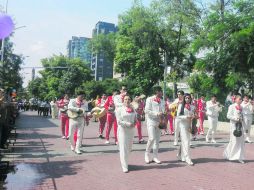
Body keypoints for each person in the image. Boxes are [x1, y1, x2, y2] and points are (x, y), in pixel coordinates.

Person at [144, 86, 165, 164]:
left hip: (159, 122)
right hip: (151, 121)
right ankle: (146, 154)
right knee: (151, 138)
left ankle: (155, 157)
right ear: (156, 91)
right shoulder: (149, 99)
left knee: (157, 140)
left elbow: (163, 110)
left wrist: (163, 114)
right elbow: (146, 110)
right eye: (160, 91)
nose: (162, 92)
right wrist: (156, 113)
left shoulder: (162, 101)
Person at [117, 95, 137, 173]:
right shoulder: (119, 109)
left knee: (129, 148)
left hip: (131, 130)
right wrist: (128, 124)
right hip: (123, 130)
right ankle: (124, 166)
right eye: (125, 99)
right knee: (123, 148)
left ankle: (125, 161)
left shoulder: (133, 109)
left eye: (129, 99)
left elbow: (135, 117)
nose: (127, 100)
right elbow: (119, 121)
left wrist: (135, 122)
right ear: (123, 100)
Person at [224, 95, 245, 164]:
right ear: (235, 99)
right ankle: (230, 155)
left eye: (241, 99)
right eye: (239, 99)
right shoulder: (232, 106)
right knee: (234, 141)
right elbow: (228, 115)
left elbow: (243, 116)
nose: (241, 100)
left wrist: (243, 123)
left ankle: (238, 157)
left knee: (240, 141)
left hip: (240, 126)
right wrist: (236, 118)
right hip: (233, 126)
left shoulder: (242, 107)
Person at [176, 93, 195, 166]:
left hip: (189, 125)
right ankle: (188, 158)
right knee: (186, 141)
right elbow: (178, 116)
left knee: (186, 141)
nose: (187, 99)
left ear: (190, 99)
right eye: (186, 98)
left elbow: (194, 115)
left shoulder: (193, 106)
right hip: (183, 125)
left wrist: (194, 116)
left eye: (188, 98)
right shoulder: (181, 106)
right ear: (184, 99)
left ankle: (181, 155)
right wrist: (186, 117)